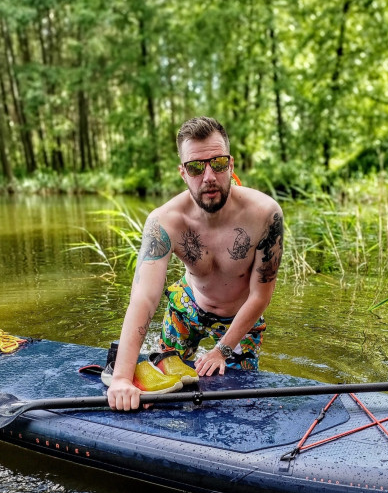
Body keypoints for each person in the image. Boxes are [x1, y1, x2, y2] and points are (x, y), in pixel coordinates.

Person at [107, 116, 283, 411]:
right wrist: (122, 378)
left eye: (218, 163)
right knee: (167, 388)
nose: (209, 176)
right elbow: (144, 297)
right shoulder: (164, 221)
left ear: (232, 164)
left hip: (239, 317)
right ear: (183, 173)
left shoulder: (265, 215)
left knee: (238, 400)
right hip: (187, 305)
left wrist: (220, 351)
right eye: (196, 167)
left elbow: (261, 295)